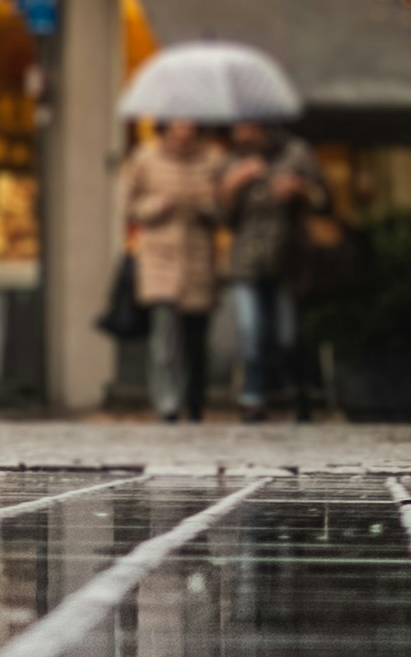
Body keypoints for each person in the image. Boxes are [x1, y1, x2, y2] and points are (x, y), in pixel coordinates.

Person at [119, 106, 237, 427]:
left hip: (199, 256)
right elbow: (128, 205)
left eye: (189, 121)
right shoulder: (145, 158)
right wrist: (156, 205)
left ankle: (195, 401)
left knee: (196, 339)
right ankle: (167, 403)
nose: (183, 128)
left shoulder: (213, 160)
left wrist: (209, 203)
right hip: (159, 257)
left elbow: (226, 211)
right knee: (164, 337)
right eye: (176, 121)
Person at [223, 121, 332, 420]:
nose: (240, 130)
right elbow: (221, 217)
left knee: (288, 335)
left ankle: (299, 395)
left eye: (246, 123)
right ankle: (253, 398)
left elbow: (325, 200)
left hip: (289, 258)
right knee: (250, 331)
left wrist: (300, 189)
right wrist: (232, 185)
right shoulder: (232, 160)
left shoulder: (295, 153)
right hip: (246, 260)